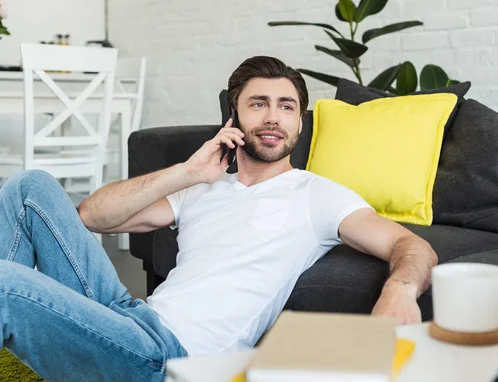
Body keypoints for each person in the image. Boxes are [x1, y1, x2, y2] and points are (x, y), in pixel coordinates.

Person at [0, 56, 437, 381]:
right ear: (234, 117)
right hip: (129, 316)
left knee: (4, 283)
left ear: (299, 125)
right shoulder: (201, 187)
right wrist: (186, 172)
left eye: (286, 107)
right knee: (30, 187)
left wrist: (399, 290)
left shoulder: (318, 195)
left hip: (168, 358)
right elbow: (92, 216)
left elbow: (411, 245)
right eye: (258, 104)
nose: (272, 117)